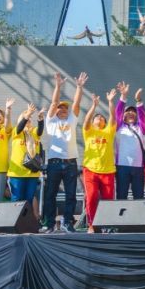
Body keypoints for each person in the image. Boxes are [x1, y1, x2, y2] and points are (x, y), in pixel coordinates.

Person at [41, 71, 86, 233]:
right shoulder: (51, 121)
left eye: (65, 108)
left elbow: (76, 103)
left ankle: (68, 222)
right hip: (54, 163)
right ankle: (50, 223)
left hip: (70, 163)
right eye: (60, 108)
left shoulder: (71, 120)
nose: (63, 110)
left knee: (71, 195)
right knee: (50, 194)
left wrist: (79, 88)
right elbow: (53, 103)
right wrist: (58, 86)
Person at [81, 90, 117, 233]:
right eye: (97, 118)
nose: (100, 119)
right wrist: (93, 106)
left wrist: (109, 102)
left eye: (102, 118)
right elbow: (86, 121)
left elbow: (113, 117)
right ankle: (92, 224)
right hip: (90, 170)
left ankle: (106, 224)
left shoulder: (108, 131)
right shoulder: (88, 132)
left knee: (108, 199)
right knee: (91, 197)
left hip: (107, 171)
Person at [114, 82, 145, 201]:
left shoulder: (140, 127)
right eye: (128, 111)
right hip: (122, 166)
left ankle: (138, 219)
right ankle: (120, 218)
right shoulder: (118, 127)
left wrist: (138, 100)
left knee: (138, 196)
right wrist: (123, 97)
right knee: (121, 195)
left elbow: (143, 115)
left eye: (133, 111)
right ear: (123, 115)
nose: (131, 113)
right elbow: (117, 112)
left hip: (138, 167)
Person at [8, 103, 44, 204]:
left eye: (29, 118)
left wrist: (40, 119)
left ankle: (25, 220)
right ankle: (14, 220)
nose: (28, 119)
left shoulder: (34, 132)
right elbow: (20, 127)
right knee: (16, 199)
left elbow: (40, 131)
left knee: (29, 200)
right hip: (17, 173)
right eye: (25, 117)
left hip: (32, 173)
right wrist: (27, 114)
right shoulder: (16, 131)